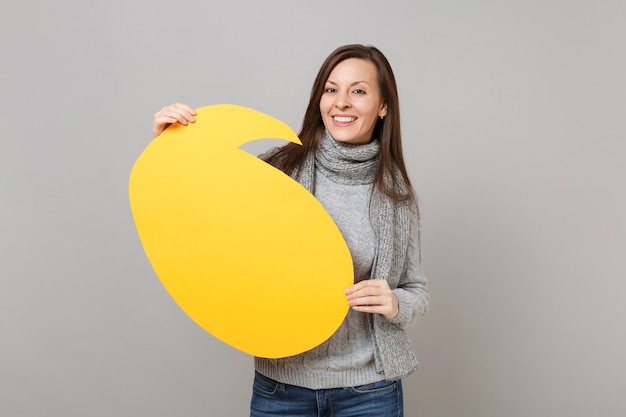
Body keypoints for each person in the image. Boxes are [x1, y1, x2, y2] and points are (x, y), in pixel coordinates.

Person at [152, 44, 429, 417]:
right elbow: (200, 209)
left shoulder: (397, 197)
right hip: (281, 389)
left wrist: (395, 303)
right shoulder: (277, 171)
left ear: (383, 106)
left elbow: (416, 291)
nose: (341, 102)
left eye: (358, 91)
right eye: (331, 90)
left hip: (370, 393)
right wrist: (169, 145)